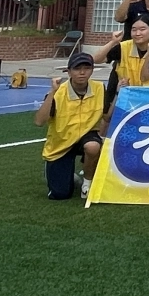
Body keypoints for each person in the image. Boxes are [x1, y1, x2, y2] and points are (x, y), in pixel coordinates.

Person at [37, 52, 107, 200]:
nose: (82, 72)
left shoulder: (100, 88)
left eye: (86, 68)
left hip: (87, 135)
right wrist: (52, 92)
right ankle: (66, 175)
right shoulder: (58, 92)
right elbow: (39, 121)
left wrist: (118, 92)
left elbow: (107, 117)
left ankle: (87, 184)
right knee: (60, 194)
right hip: (61, 142)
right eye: (77, 68)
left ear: (92, 70)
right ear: (68, 72)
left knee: (93, 146)